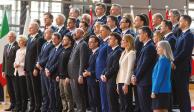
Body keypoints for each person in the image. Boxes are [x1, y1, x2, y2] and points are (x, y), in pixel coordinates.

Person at [131, 26, 157, 112]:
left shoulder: (150, 47)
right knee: (142, 106)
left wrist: (136, 77)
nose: (138, 36)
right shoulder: (145, 46)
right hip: (141, 81)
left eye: (139, 34)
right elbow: (139, 64)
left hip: (145, 81)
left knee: (146, 107)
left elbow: (144, 65)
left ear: (146, 34)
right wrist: (134, 75)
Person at [173, 15, 194, 112]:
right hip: (178, 68)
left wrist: (174, 61)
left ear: (186, 22)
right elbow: (177, 50)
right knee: (180, 93)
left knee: (183, 93)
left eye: (180, 21)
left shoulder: (189, 35)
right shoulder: (181, 34)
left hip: (183, 68)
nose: (178, 23)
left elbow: (185, 52)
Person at [68, 28, 90, 112]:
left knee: (79, 95)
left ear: (82, 34)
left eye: (76, 33)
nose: (74, 34)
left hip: (77, 74)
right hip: (72, 74)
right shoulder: (76, 44)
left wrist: (80, 75)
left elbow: (82, 61)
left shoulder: (83, 44)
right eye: (74, 32)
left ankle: (81, 110)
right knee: (76, 95)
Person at [24, 22, 44, 112]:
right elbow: (27, 54)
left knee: (35, 88)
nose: (29, 29)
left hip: (34, 68)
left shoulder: (39, 39)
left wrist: (36, 68)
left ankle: (37, 106)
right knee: (29, 89)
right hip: (28, 68)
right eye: (29, 27)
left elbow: (38, 55)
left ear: (36, 28)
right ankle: (31, 106)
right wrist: (25, 68)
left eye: (31, 28)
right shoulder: (29, 38)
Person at [101, 32, 122, 112]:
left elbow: (115, 67)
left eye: (110, 39)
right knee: (110, 102)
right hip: (109, 80)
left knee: (114, 103)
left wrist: (106, 75)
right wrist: (103, 74)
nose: (108, 41)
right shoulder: (111, 51)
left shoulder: (118, 51)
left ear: (116, 40)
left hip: (113, 80)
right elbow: (107, 66)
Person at [151, 41, 174, 112]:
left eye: (158, 47)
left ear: (163, 48)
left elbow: (159, 77)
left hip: (160, 91)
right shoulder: (165, 59)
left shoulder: (163, 60)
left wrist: (154, 91)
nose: (156, 49)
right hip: (165, 90)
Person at [35, 28, 54, 112]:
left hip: (46, 69)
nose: (44, 35)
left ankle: (50, 107)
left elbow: (48, 57)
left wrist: (40, 64)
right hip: (41, 69)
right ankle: (44, 108)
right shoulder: (44, 44)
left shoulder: (52, 45)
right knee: (44, 91)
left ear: (51, 34)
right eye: (44, 33)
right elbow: (40, 55)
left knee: (49, 90)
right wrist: (38, 63)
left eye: (46, 33)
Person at [116, 34, 136, 112]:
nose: (121, 42)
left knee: (127, 104)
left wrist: (126, 84)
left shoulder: (132, 53)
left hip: (126, 82)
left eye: (123, 40)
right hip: (120, 81)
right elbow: (120, 69)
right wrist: (117, 84)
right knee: (122, 105)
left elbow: (130, 69)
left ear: (128, 42)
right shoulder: (123, 52)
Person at [45, 32, 63, 111]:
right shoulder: (53, 49)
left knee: (57, 94)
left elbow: (58, 63)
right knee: (50, 93)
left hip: (56, 74)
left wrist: (50, 70)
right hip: (49, 74)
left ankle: (57, 109)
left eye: (55, 39)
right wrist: (46, 68)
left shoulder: (62, 49)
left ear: (59, 39)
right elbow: (49, 60)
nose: (53, 40)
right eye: (52, 39)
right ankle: (52, 108)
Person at [95, 25, 111, 112]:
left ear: (108, 31)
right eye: (100, 31)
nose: (100, 32)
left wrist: (104, 73)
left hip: (104, 75)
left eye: (103, 31)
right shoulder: (103, 42)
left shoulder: (109, 43)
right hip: (100, 74)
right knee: (102, 98)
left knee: (105, 98)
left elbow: (108, 60)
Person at [83, 35, 101, 112]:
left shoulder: (98, 53)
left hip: (95, 80)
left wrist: (90, 73)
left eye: (91, 42)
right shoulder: (92, 53)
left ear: (96, 43)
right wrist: (85, 72)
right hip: (89, 80)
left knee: (96, 100)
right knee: (91, 101)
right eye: (89, 42)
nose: (89, 44)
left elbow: (99, 68)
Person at [2, 31, 19, 111]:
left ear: (15, 37)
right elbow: (4, 59)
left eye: (11, 36)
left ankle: (17, 105)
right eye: (8, 36)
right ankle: (12, 104)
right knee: (10, 89)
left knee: (16, 89)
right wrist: (3, 71)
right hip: (7, 71)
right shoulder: (6, 46)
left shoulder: (17, 46)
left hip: (15, 72)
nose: (9, 37)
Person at [57, 35, 74, 112]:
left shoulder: (71, 51)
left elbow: (70, 65)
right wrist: (58, 75)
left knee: (68, 95)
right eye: (62, 39)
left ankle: (70, 109)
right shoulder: (62, 50)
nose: (63, 41)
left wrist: (68, 76)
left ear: (70, 41)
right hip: (60, 77)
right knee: (62, 95)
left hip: (66, 77)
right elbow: (59, 64)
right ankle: (64, 108)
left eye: (65, 39)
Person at [14, 35, 28, 112]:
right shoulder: (18, 50)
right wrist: (15, 64)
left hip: (22, 72)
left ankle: (24, 107)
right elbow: (15, 60)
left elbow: (26, 63)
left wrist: (20, 65)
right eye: (18, 41)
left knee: (23, 91)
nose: (19, 42)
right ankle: (18, 106)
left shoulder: (26, 50)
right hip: (16, 72)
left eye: (20, 41)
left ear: (24, 42)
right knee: (17, 90)